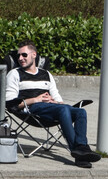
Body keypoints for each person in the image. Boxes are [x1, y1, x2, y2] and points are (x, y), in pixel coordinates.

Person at [5, 40, 101, 168]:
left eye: (24, 55)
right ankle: (79, 151)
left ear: (34, 55)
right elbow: (10, 103)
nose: (20, 58)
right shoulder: (15, 74)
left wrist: (54, 102)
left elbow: (58, 98)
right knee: (63, 110)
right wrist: (36, 99)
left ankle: (81, 148)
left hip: (52, 108)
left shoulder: (46, 74)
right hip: (33, 109)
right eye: (18, 56)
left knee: (80, 112)